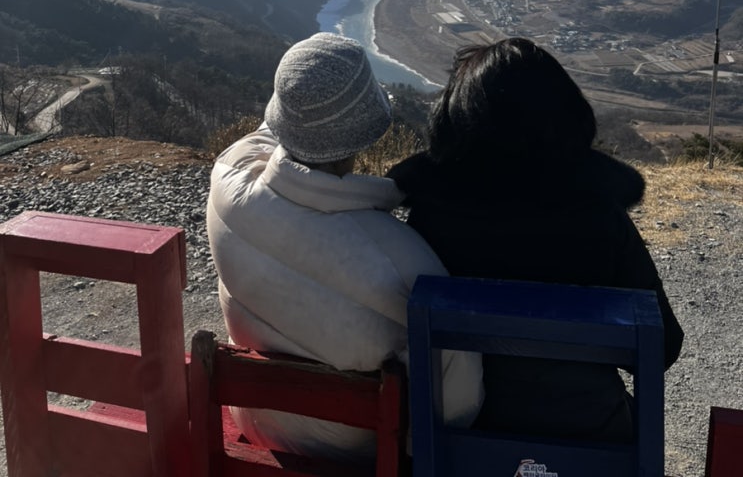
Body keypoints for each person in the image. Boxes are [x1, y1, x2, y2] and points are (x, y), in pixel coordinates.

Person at [388, 37, 684, 444]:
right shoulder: (600, 218)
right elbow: (664, 346)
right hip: (591, 443)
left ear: (454, 117)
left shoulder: (429, 217)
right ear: (566, 115)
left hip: (458, 442)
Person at [207, 32, 483, 462]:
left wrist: (301, 98)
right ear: (364, 134)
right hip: (350, 446)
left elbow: (265, 139)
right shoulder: (403, 258)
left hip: (257, 414)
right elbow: (458, 399)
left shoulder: (228, 179)